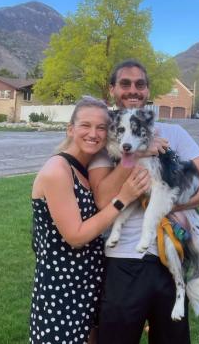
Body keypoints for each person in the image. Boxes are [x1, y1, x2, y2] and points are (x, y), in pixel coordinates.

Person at [88, 60, 199, 344]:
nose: (133, 90)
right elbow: (103, 200)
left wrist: (166, 206)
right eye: (125, 83)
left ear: (148, 90)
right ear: (112, 89)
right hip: (122, 262)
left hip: (169, 256)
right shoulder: (104, 142)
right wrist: (137, 153)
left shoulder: (174, 134)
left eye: (140, 84)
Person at [29, 96, 151, 344]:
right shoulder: (57, 170)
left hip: (90, 284)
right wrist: (122, 199)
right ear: (70, 128)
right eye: (86, 125)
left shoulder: (84, 170)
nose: (93, 134)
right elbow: (75, 236)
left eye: (101, 128)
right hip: (61, 292)